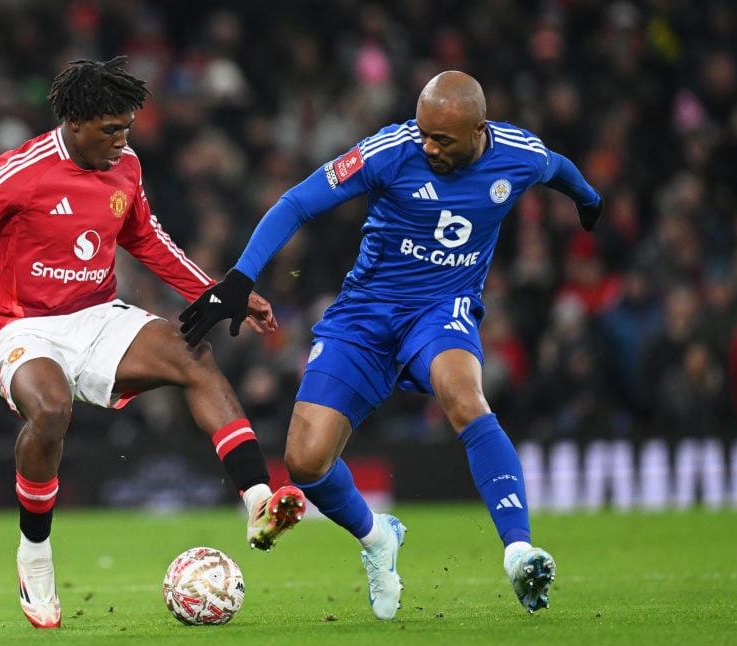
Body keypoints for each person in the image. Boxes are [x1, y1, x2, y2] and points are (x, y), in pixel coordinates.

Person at [0, 56, 305, 629]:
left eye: (127, 128)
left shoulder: (127, 167)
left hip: (94, 315)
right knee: (50, 408)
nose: (122, 141)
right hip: (16, 323)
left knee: (194, 354)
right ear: (73, 121)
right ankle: (35, 554)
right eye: (110, 130)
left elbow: (149, 241)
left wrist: (222, 293)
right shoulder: (23, 169)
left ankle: (258, 500)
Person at [181, 70, 603, 618]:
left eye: (442, 140)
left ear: (479, 129)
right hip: (364, 315)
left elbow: (560, 168)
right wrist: (240, 278)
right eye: (423, 132)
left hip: (441, 311)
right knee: (305, 463)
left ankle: (519, 552)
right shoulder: (391, 150)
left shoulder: (517, 154)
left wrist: (589, 200)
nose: (427, 146)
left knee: (465, 397)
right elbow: (297, 203)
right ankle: (378, 537)